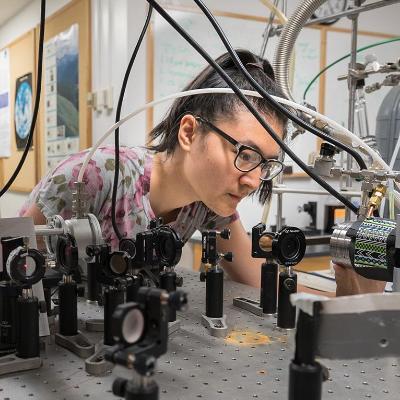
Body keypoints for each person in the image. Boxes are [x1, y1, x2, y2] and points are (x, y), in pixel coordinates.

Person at [19, 49, 384, 295]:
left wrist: (345, 299)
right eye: (245, 153)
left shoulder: (208, 206)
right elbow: (13, 264)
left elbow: (255, 276)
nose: (254, 180)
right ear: (189, 132)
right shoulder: (94, 176)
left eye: (266, 164)